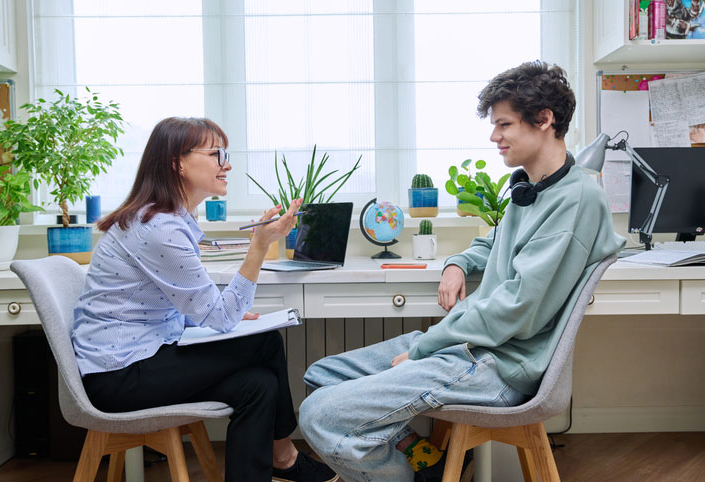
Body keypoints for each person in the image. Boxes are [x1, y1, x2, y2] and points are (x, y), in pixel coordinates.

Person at [298, 61, 625, 482]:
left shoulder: (576, 199)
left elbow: (517, 308)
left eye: (504, 124)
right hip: (474, 348)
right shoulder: (533, 188)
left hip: (499, 363)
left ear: (544, 120)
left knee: (320, 415)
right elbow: (494, 243)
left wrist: (422, 349)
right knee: (321, 376)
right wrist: (457, 263)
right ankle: (424, 463)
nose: (494, 136)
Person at [72, 117, 338, 482]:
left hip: (141, 356)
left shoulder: (167, 219)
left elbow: (173, 307)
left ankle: (280, 460)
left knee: (258, 385)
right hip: (119, 375)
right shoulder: (160, 227)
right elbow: (221, 316)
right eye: (216, 154)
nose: (226, 163)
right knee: (265, 342)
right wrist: (260, 245)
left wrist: (220, 316)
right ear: (177, 163)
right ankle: (285, 457)